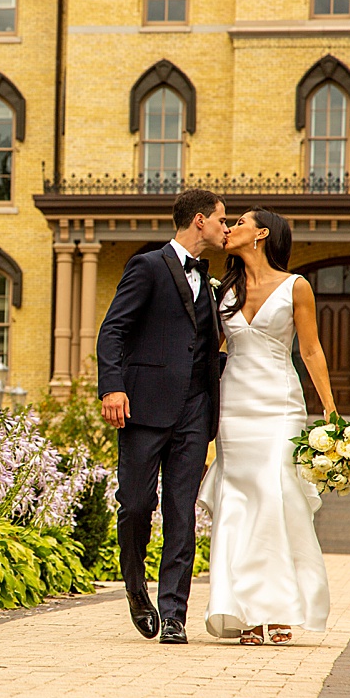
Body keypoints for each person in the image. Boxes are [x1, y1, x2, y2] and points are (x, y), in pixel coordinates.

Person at [197, 207, 337, 646]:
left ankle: (276, 609)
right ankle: (243, 612)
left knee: (276, 497)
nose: (230, 227)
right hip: (235, 404)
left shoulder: (297, 287)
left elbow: (311, 351)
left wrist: (330, 410)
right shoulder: (224, 291)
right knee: (239, 502)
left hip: (280, 405)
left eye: (238, 222)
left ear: (261, 234)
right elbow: (205, 350)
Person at [97, 189, 230, 645]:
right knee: (135, 505)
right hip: (145, 405)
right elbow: (113, 329)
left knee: (182, 513)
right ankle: (136, 589)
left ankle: (175, 613)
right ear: (199, 220)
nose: (225, 228)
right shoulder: (148, 266)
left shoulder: (211, 281)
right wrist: (112, 386)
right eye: (221, 220)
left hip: (195, 410)